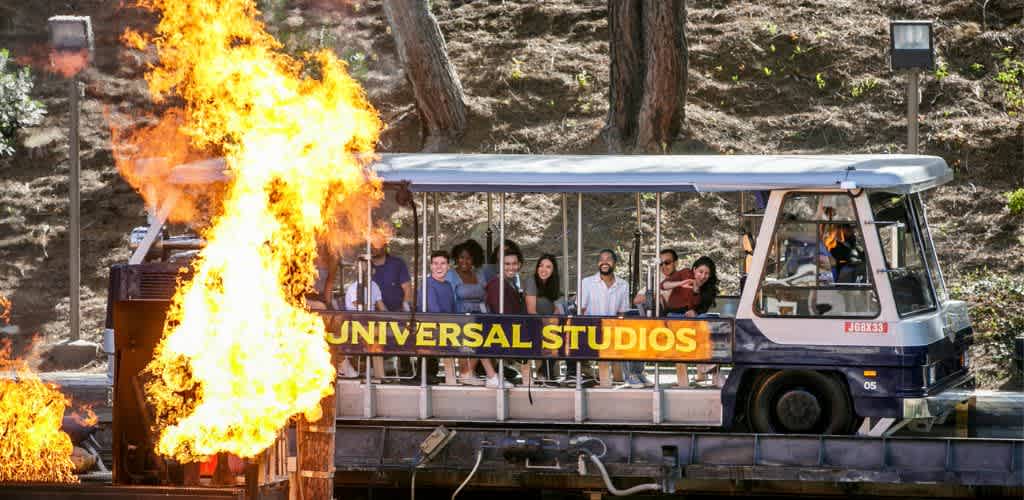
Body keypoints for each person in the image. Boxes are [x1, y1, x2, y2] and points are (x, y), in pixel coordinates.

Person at [578, 249, 647, 389]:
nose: (604, 262)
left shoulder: (623, 285)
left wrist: (616, 331)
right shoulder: (587, 282)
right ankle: (608, 381)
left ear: (614, 263)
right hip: (592, 329)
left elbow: (621, 313)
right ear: (598, 263)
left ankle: (631, 376)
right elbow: (581, 311)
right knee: (604, 345)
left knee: (636, 336)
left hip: (613, 329)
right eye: (601, 259)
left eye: (608, 259)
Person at [369, 229, 415, 377]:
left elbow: (407, 289)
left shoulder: (397, 264)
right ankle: (376, 371)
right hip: (373, 316)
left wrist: (404, 310)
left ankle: (406, 369)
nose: (373, 247)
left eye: (376, 243)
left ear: (385, 244)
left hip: (397, 314)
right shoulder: (365, 266)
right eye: (371, 243)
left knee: (405, 332)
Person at [479, 249, 526, 388]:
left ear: (519, 265)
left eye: (514, 264)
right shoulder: (497, 284)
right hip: (501, 330)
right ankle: (493, 376)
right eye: (507, 264)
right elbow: (501, 312)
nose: (511, 267)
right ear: (500, 265)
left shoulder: (511, 283)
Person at [524, 254, 563, 384]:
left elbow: (557, 304)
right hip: (534, 324)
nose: (543, 269)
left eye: (548, 267)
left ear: (553, 271)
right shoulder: (532, 281)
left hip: (550, 326)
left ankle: (545, 374)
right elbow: (531, 311)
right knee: (553, 339)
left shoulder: (552, 285)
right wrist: (548, 323)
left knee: (567, 337)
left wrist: (557, 311)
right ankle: (543, 374)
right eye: (541, 266)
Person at [632, 249, 680, 314]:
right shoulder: (656, 279)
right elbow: (637, 300)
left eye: (667, 263)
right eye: (661, 264)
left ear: (676, 263)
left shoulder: (683, 278)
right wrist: (658, 297)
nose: (664, 266)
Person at [447, 240, 488, 313]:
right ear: (456, 258)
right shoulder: (450, 274)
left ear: (474, 259)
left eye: (468, 258)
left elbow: (486, 297)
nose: (464, 261)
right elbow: (449, 302)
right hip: (460, 318)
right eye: (461, 257)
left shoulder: (479, 274)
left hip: (481, 316)